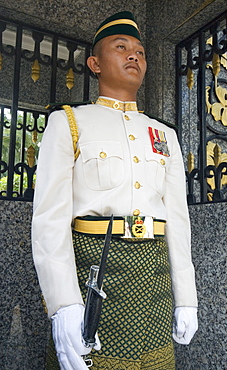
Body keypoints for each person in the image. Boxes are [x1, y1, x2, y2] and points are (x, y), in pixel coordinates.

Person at [32, 11, 198, 370]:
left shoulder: (163, 135)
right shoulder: (69, 123)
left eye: (139, 51)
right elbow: (49, 219)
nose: (133, 56)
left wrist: (187, 298)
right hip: (94, 276)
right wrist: (63, 304)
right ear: (94, 63)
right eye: (121, 47)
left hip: (153, 285)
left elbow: (179, 224)